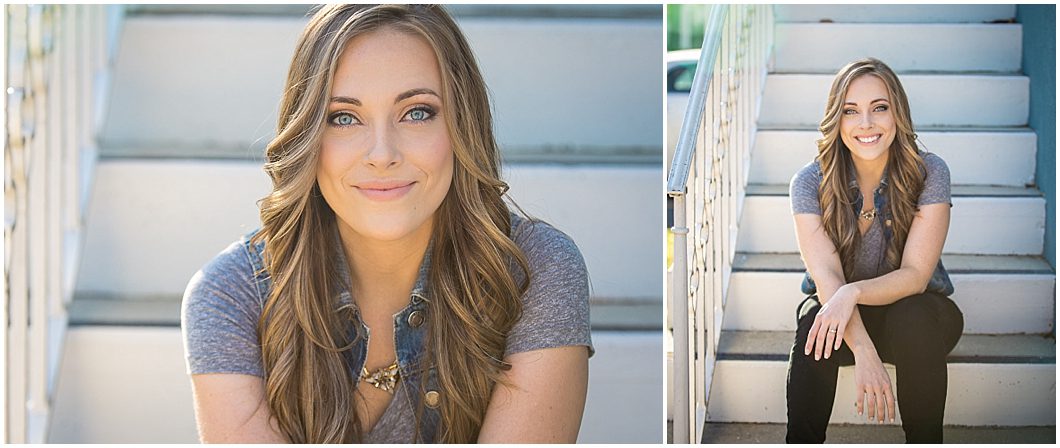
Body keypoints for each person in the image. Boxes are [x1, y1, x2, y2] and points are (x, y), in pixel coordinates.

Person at [180, 4, 592, 443]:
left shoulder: (533, 271)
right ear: (307, 138)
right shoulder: (231, 295)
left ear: (462, 125)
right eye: (343, 117)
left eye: (417, 112)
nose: (382, 153)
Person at [785, 58, 964, 443]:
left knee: (912, 315)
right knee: (817, 318)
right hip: (844, 325)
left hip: (918, 319)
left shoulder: (929, 172)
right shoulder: (809, 182)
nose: (866, 123)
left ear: (898, 112)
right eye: (851, 111)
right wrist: (863, 348)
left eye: (879, 107)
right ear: (837, 119)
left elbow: (916, 275)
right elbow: (827, 277)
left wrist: (854, 292)